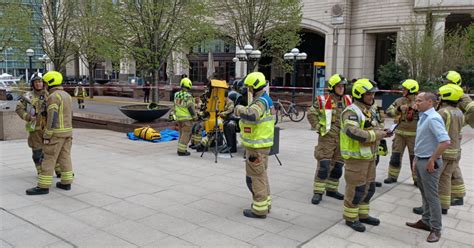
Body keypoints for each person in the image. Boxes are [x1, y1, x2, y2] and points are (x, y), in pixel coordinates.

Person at [340, 78, 390, 232]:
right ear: (359, 94)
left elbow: (375, 126)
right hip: (356, 158)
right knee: (356, 189)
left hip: (369, 156)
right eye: (368, 94)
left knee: (369, 189)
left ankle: (363, 215)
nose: (372, 97)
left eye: (373, 94)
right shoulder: (351, 111)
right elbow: (354, 132)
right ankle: (351, 218)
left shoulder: (370, 110)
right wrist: (378, 135)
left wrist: (384, 132)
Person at [406, 92, 450, 243]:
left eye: (419, 101)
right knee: (424, 194)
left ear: (430, 102)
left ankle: (436, 230)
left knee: (432, 197)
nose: (416, 103)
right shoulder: (424, 116)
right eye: (416, 100)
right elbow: (423, 141)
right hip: (421, 159)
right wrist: (416, 159)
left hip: (429, 162)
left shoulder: (433, 118)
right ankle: (425, 221)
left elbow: (445, 141)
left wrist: (432, 159)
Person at [26, 71, 74, 195]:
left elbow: (52, 116)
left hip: (56, 133)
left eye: (45, 82)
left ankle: (43, 186)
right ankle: (66, 182)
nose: (44, 85)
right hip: (67, 132)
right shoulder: (66, 95)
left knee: (49, 159)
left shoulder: (53, 97)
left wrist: (48, 133)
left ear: (50, 82)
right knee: (65, 157)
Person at [234, 72, 274, 219]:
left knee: (254, 178)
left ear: (255, 86)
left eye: (249, 87)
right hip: (262, 145)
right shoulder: (266, 99)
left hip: (256, 147)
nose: (247, 89)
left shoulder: (260, 102)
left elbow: (253, 115)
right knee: (261, 175)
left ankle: (259, 209)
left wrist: (239, 109)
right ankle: (266, 204)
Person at [307, 74, 352, 205]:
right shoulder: (323, 100)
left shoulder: (348, 100)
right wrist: (318, 127)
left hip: (343, 138)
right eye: (339, 86)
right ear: (332, 87)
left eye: (343, 86)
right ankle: (318, 192)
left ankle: (332, 189)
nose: (342, 88)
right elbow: (311, 113)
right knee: (324, 166)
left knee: (338, 166)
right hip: (327, 138)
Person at [16, 73, 60, 177]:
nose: (38, 84)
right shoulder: (27, 96)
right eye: (36, 82)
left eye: (40, 81)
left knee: (52, 149)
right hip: (34, 128)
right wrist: (27, 116)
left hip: (48, 127)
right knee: (37, 151)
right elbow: (19, 109)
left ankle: (58, 170)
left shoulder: (50, 95)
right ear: (33, 84)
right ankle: (40, 171)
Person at [440, 71, 469, 205]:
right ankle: (455, 195)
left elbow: (472, 109)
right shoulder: (449, 93)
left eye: (445, 81)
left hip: (450, 138)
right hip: (452, 136)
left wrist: (462, 122)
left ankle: (457, 195)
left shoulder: (461, 96)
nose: (443, 83)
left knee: (451, 168)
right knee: (452, 167)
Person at [384, 79, 419, 185]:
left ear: (411, 90)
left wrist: (419, 109)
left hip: (414, 136)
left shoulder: (420, 101)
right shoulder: (399, 101)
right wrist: (398, 109)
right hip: (399, 134)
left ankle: (417, 179)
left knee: (415, 159)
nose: (402, 91)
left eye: (405, 89)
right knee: (395, 156)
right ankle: (392, 176)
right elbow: (388, 112)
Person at [172, 77, 197, 156]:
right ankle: (182, 151)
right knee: (186, 134)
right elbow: (190, 107)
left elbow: (175, 105)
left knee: (181, 134)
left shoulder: (176, 94)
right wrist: (195, 116)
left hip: (179, 118)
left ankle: (180, 148)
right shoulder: (188, 96)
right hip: (187, 119)